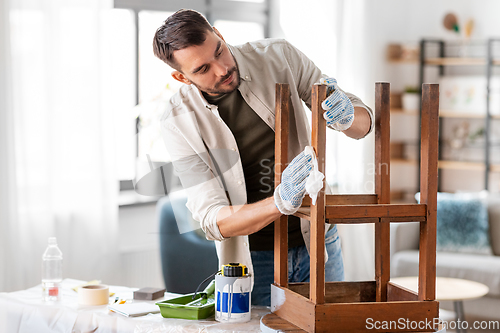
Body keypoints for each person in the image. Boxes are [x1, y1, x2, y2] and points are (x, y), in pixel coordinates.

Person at [153, 9, 373, 306]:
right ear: (181, 77)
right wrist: (279, 202)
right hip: (253, 261)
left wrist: (347, 117)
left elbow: (364, 126)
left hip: (320, 241)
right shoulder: (177, 121)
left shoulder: (279, 56)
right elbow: (211, 219)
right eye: (203, 69)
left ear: (219, 35)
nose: (221, 69)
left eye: (220, 52)